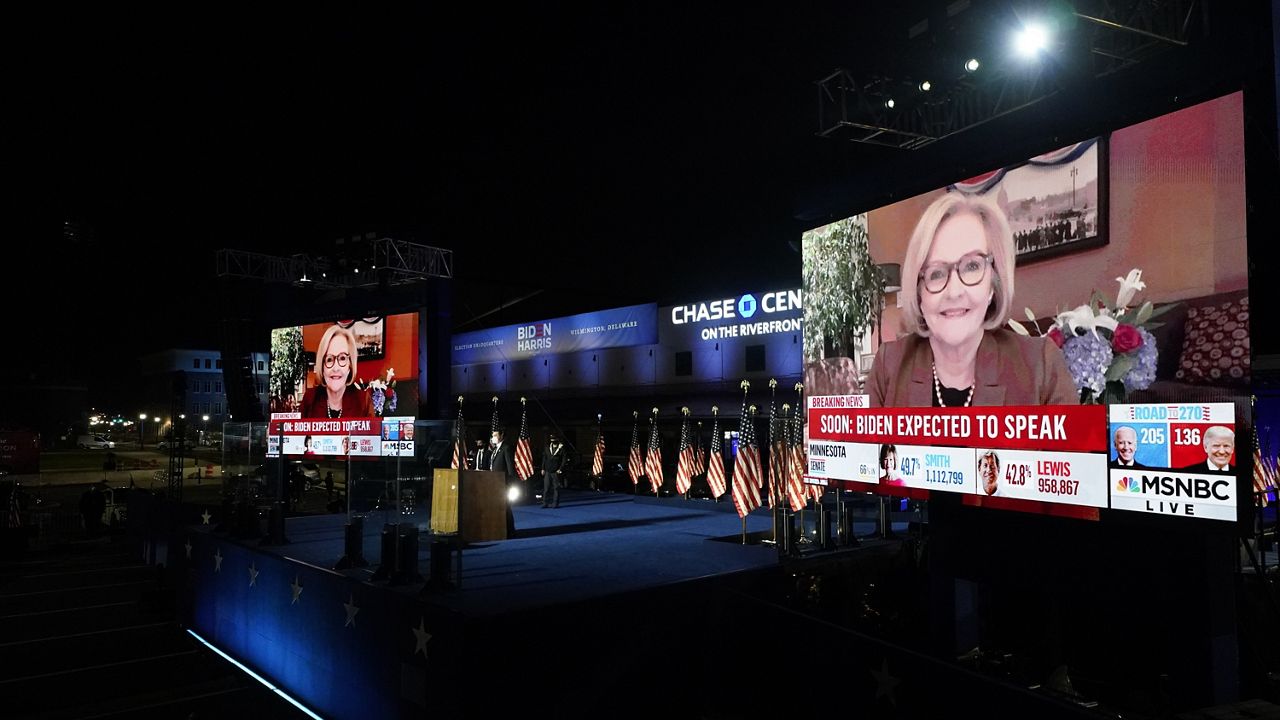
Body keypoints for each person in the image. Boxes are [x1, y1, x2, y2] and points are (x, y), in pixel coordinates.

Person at [865, 193, 1078, 408]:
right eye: (936, 273)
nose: (954, 291)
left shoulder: (1041, 366)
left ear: (992, 284)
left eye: (972, 266)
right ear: (919, 293)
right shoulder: (888, 367)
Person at [300, 325, 372, 419]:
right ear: (322, 366)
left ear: (349, 366)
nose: (336, 368)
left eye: (342, 358)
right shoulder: (310, 399)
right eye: (329, 359)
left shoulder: (363, 401)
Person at [488, 429, 518, 535]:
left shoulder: (506, 448)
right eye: (492, 435)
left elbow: (510, 467)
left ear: (501, 435)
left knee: (505, 506)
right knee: (499, 506)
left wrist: (510, 483)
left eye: (495, 435)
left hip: (503, 482)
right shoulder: (495, 449)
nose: (493, 437)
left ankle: (510, 530)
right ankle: (501, 528)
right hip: (495, 482)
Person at [541, 434, 567, 508]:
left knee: (556, 488)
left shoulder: (561, 448)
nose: (553, 440)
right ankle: (544, 503)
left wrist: (560, 469)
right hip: (547, 471)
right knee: (546, 488)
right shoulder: (547, 447)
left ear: (557, 439)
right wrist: (543, 468)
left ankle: (555, 504)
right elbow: (544, 458)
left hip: (556, 472)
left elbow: (564, 460)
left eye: (554, 439)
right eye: (551, 439)